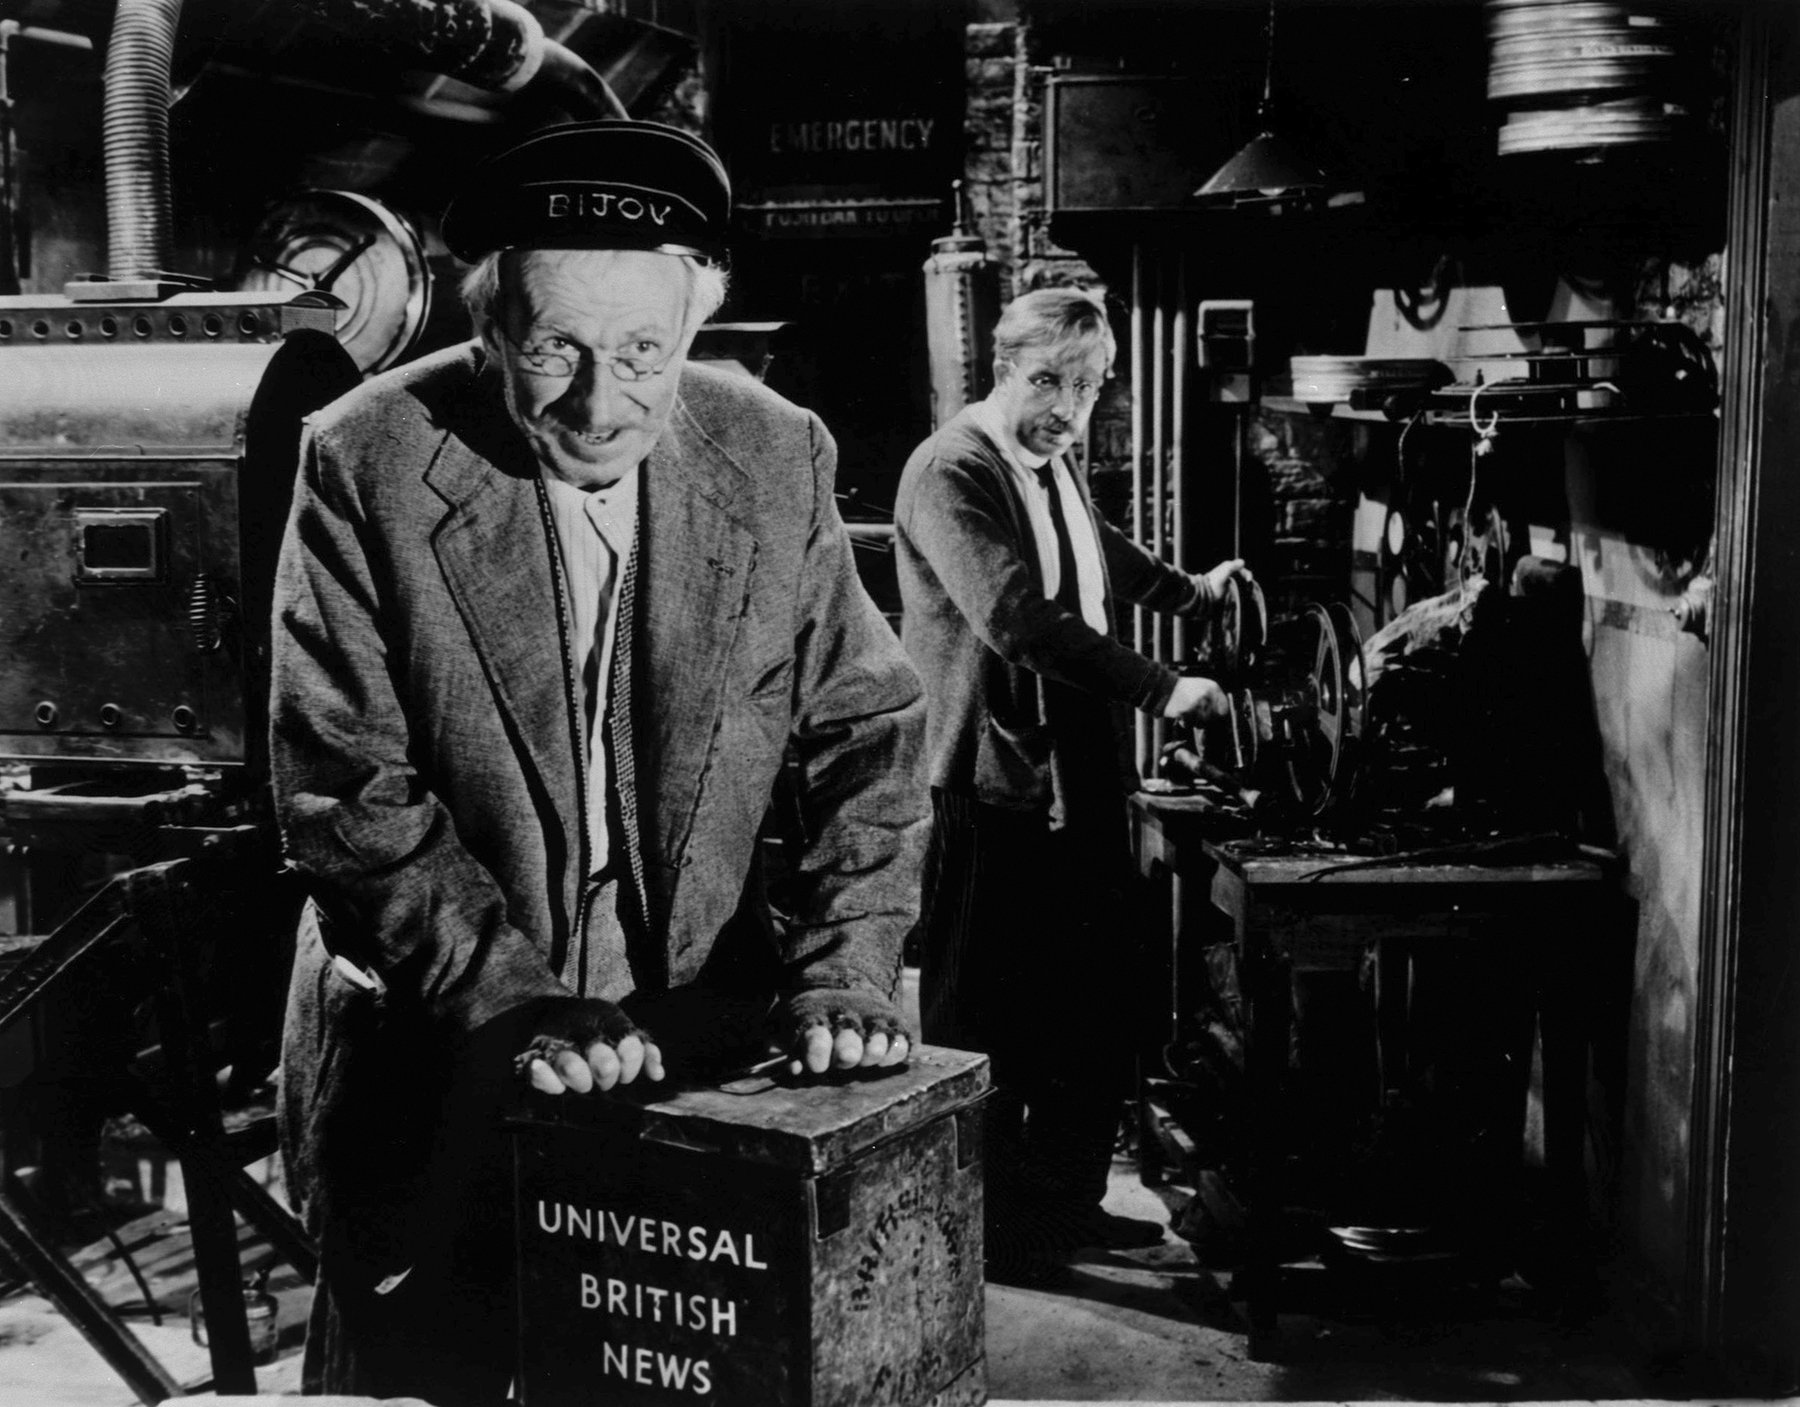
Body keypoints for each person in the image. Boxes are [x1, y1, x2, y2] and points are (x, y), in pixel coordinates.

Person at [270, 120, 927, 1404]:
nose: (600, 400)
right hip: (436, 1039)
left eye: (642, 353)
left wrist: (848, 965)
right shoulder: (365, 454)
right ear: (488, 325)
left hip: (691, 1049)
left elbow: (869, 729)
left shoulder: (773, 451)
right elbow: (346, 787)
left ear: (694, 327)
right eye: (554, 349)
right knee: (434, 1376)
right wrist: (513, 1002)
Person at [894, 285, 1245, 1284]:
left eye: (1088, 387)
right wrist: (1165, 687)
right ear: (1005, 367)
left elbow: (1096, 551)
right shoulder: (953, 470)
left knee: (1089, 1005)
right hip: (988, 779)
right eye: (1050, 380)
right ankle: (984, 1230)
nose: (1068, 408)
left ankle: (1063, 1210)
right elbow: (1017, 619)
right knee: (986, 1017)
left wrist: (1192, 594)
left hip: (1077, 767)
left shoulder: (1047, 461)